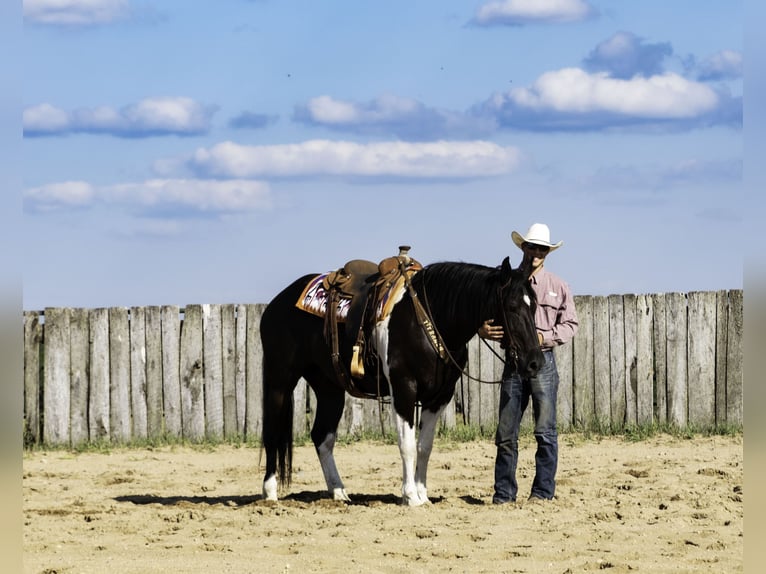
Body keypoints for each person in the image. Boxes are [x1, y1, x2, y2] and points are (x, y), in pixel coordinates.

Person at [479, 222, 578, 504]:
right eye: (532, 246)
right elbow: (483, 314)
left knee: (545, 431)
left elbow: (571, 324)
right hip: (513, 360)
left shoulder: (558, 286)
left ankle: (543, 492)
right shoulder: (504, 283)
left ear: (547, 252)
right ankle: (504, 493)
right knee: (506, 433)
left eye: (542, 248)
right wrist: (482, 330)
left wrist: (544, 336)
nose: (536, 252)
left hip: (543, 360)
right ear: (523, 247)